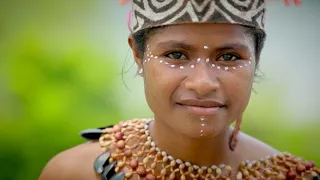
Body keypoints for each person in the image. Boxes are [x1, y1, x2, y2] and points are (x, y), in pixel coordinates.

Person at [39, 0, 319, 179]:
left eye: (229, 57)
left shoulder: (295, 176)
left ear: (256, 60)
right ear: (138, 55)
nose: (203, 83)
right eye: (175, 55)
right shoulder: (74, 172)